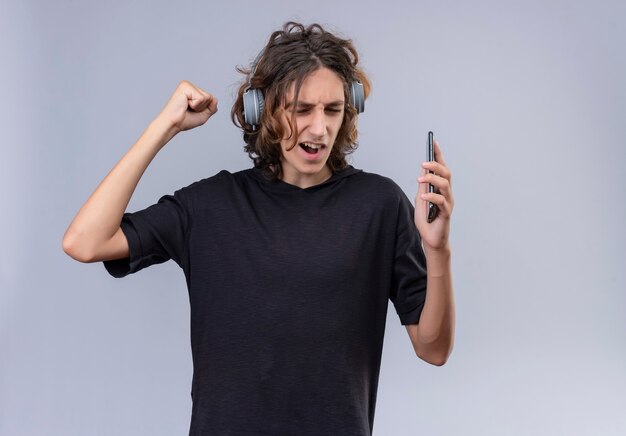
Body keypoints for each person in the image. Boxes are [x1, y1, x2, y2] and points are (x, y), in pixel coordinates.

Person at [62, 21, 455, 436]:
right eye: (301, 109)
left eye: (332, 109)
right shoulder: (211, 206)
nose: (319, 129)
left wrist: (438, 250)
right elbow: (84, 241)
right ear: (262, 109)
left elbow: (434, 348)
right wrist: (164, 128)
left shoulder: (380, 205)